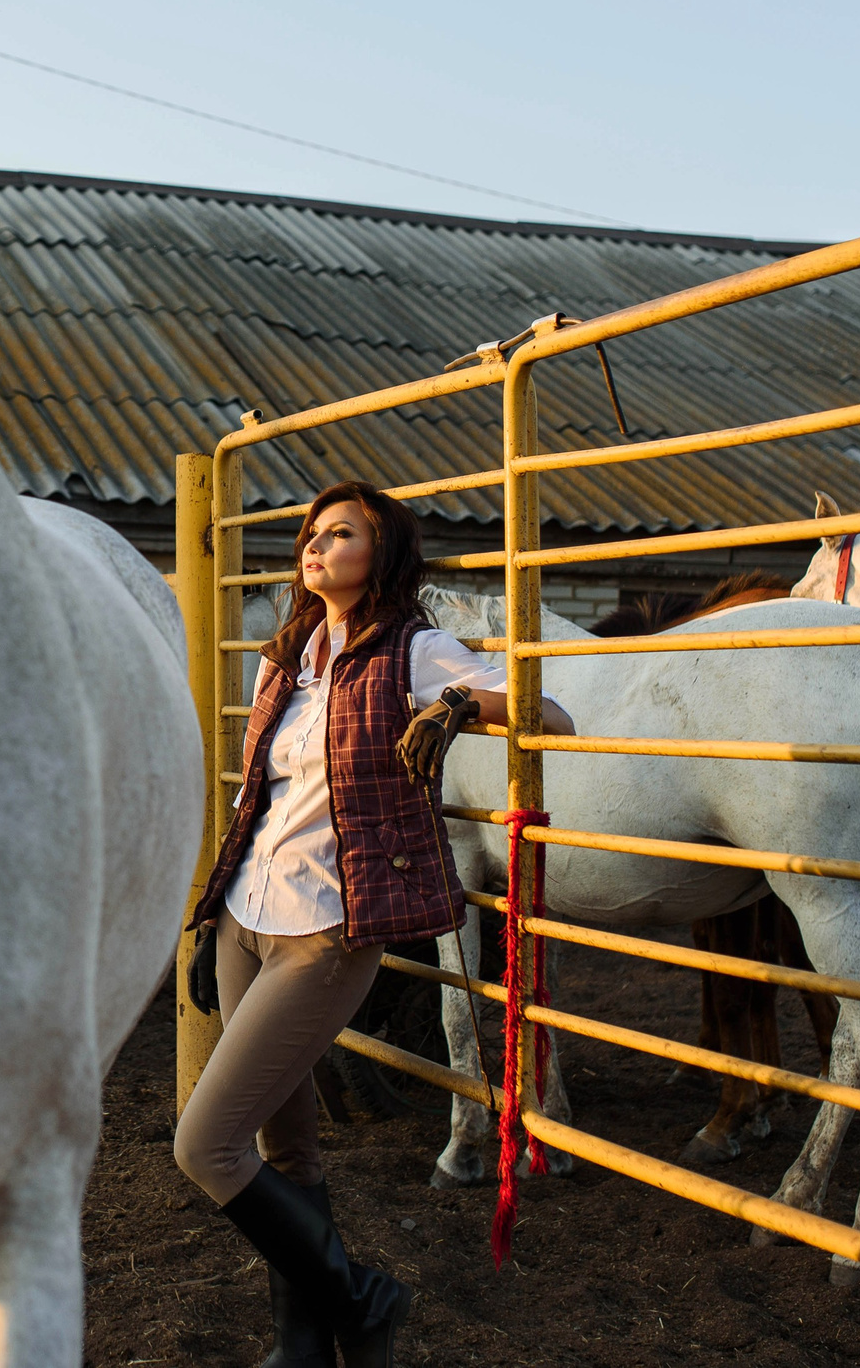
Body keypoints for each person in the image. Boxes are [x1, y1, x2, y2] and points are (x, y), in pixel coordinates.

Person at [174, 480, 573, 1368]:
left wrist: (461, 705)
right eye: (311, 533)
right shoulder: (290, 654)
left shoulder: (415, 652)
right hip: (248, 919)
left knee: (204, 1145)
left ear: (382, 554)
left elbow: (552, 713)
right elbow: (259, 800)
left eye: (340, 533)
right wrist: (211, 914)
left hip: (327, 932)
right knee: (287, 1147)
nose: (316, 546)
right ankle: (304, 1346)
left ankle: (361, 1298)